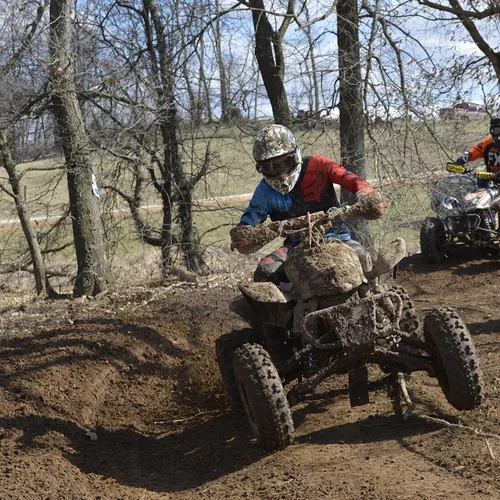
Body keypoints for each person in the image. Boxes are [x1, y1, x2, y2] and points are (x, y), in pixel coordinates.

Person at [230, 124, 384, 286]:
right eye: (270, 167)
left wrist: (366, 197)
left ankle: (374, 293)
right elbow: (247, 223)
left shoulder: (318, 165)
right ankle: (285, 302)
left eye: (284, 163)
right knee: (265, 271)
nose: (280, 172)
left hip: (337, 238)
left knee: (363, 261)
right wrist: (242, 236)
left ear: (295, 155)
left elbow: (354, 181)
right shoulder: (264, 191)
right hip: (296, 246)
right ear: (260, 167)